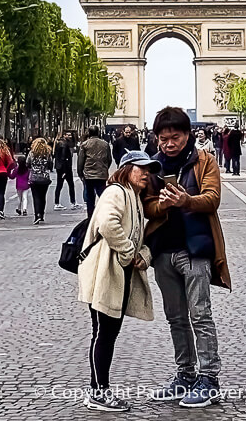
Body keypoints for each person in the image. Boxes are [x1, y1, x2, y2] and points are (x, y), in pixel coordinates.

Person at [143, 106, 230, 408]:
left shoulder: (205, 161)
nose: (169, 143)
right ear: (156, 138)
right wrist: (163, 206)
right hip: (164, 252)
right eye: (163, 138)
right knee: (176, 318)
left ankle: (209, 379)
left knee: (200, 315)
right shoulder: (150, 167)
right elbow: (147, 207)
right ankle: (185, 375)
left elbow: (213, 198)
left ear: (188, 134)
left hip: (196, 249)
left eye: (175, 137)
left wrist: (186, 200)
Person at [78, 151, 159, 412]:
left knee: (106, 334)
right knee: (104, 333)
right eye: (141, 169)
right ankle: (98, 392)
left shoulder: (133, 196)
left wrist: (143, 255)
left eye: (149, 170)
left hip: (117, 272)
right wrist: (127, 252)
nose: (146, 174)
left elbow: (139, 235)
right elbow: (108, 224)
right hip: (104, 271)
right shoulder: (117, 191)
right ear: (126, 169)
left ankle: (99, 389)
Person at [78, 126, 112, 219]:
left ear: (89, 133)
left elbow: (80, 161)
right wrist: (105, 168)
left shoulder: (84, 144)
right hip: (101, 173)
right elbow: (109, 159)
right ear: (98, 132)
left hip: (89, 174)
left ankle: (90, 216)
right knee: (102, 195)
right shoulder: (105, 144)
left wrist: (80, 173)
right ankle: (105, 214)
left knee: (90, 197)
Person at [27, 137, 53, 224]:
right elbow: (50, 164)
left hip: (34, 177)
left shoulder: (31, 153)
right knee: (43, 196)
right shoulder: (47, 153)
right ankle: (41, 214)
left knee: (36, 197)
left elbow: (28, 163)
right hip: (44, 177)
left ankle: (37, 215)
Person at [54, 133, 77, 209]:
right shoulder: (64, 144)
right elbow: (63, 157)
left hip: (60, 167)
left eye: (70, 135)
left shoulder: (59, 143)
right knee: (70, 185)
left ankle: (57, 203)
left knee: (60, 185)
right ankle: (72, 202)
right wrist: (64, 171)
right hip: (65, 168)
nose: (70, 136)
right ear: (64, 136)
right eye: (68, 135)